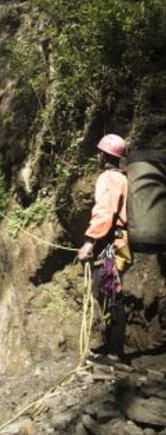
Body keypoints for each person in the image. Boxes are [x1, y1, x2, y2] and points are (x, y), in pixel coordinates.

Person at [78, 133, 132, 365]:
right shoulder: (122, 177)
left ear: (103, 155)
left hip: (110, 242)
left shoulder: (107, 179)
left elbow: (104, 212)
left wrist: (90, 241)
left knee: (111, 292)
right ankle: (111, 345)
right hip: (118, 239)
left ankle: (116, 352)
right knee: (108, 289)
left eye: (99, 152)